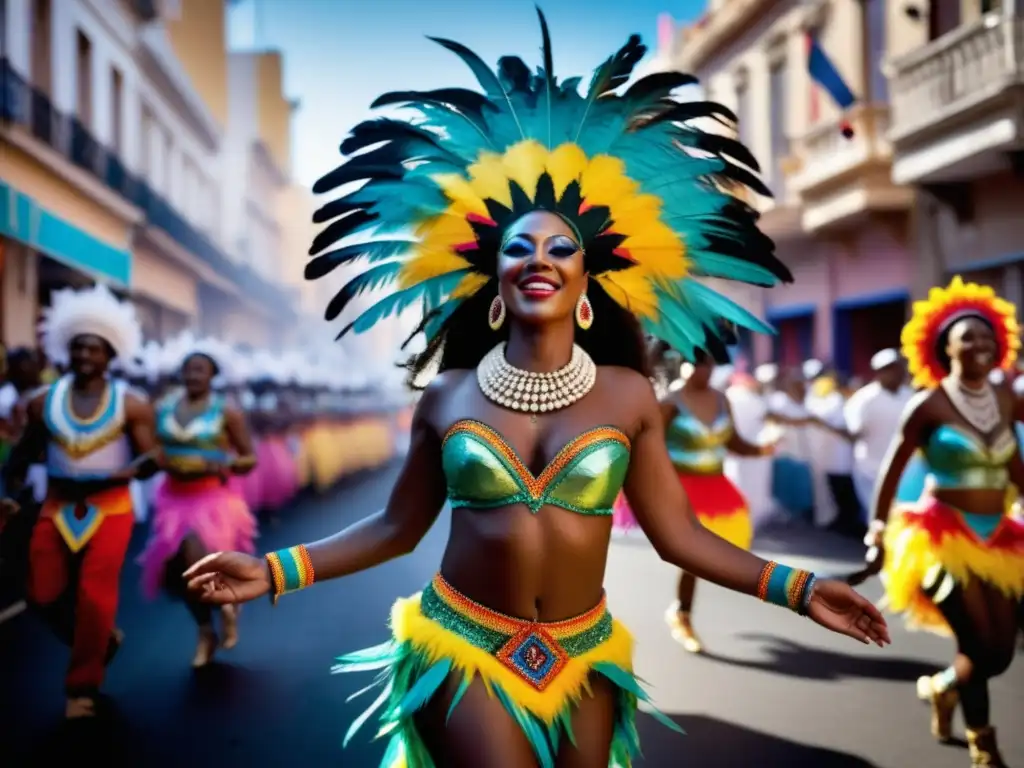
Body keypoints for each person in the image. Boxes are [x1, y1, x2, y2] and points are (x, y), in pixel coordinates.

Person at [184, 15, 889, 767]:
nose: (538, 258)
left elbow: (677, 535)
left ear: (586, 286)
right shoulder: (449, 394)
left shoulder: (627, 396)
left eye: (561, 248)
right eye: (518, 248)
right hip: (464, 642)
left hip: (585, 654)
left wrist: (799, 588)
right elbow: (397, 526)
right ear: (496, 284)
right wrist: (276, 570)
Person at [864, 277, 1023, 767]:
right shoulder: (927, 403)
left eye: (987, 337)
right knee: (976, 641)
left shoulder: (1005, 397)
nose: (980, 344)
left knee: (999, 653)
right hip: (941, 534)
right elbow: (891, 471)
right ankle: (983, 744)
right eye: (968, 337)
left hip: (1000, 533)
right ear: (944, 347)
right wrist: (875, 532)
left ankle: (942, 686)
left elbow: (1015, 463)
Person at [0, 285, 157, 719]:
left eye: (95, 348)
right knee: (40, 594)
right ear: (66, 352)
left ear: (111, 355)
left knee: (94, 596)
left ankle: (82, 686)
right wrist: (10, 493)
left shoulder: (131, 404)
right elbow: (24, 454)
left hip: (111, 508)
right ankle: (100, 640)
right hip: (56, 505)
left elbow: (152, 457)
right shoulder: (41, 404)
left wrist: (135, 469)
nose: (86, 355)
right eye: (78, 347)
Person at [137, 342, 258, 667]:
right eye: (188, 369)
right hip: (172, 499)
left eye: (200, 370)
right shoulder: (163, 407)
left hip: (212, 500)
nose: (192, 375)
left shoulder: (227, 412)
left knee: (197, 561)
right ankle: (206, 630)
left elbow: (249, 458)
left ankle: (227, 607)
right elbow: (151, 448)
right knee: (181, 573)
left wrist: (228, 465)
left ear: (212, 376)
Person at [657, 350, 777, 653]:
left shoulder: (723, 399)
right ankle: (682, 615)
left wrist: (764, 449)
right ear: (681, 363)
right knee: (693, 556)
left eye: (708, 362)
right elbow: (648, 448)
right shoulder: (669, 403)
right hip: (679, 490)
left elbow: (733, 441)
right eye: (695, 361)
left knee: (717, 555)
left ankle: (681, 610)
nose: (702, 369)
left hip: (717, 489)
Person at [844, 349, 914, 520]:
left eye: (898, 368)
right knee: (878, 518)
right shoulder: (864, 399)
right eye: (890, 369)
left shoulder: (910, 396)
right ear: (879, 372)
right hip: (871, 469)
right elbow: (854, 432)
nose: (896, 373)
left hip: (905, 470)